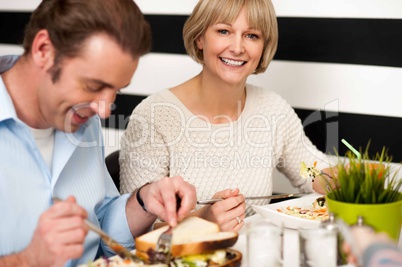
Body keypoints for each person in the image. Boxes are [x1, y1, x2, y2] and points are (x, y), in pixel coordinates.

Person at [0, 0, 197, 266]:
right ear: (44, 50)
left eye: (116, 89)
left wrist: (145, 201)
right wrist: (27, 259)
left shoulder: (83, 118)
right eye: (93, 84)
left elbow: (99, 224)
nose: (104, 111)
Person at [119, 0, 332, 232]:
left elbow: (309, 170)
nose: (237, 48)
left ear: (263, 47)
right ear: (200, 38)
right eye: (224, 31)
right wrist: (202, 220)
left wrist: (344, 178)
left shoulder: (273, 110)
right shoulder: (153, 117)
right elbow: (133, 231)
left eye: (251, 36)